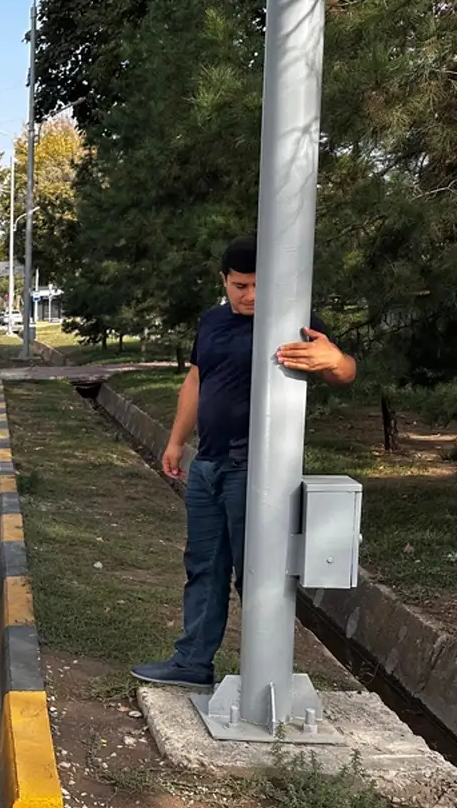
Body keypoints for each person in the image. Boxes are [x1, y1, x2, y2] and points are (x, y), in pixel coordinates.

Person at [131, 236, 358, 688]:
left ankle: (263, 675)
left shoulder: (289, 322)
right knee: (203, 567)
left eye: (257, 285)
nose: (250, 295)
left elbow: (342, 371)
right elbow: (197, 380)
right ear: (224, 281)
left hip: (256, 472)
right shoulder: (212, 322)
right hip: (208, 466)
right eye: (240, 286)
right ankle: (192, 663)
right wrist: (177, 442)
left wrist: (334, 360)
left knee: (256, 571)